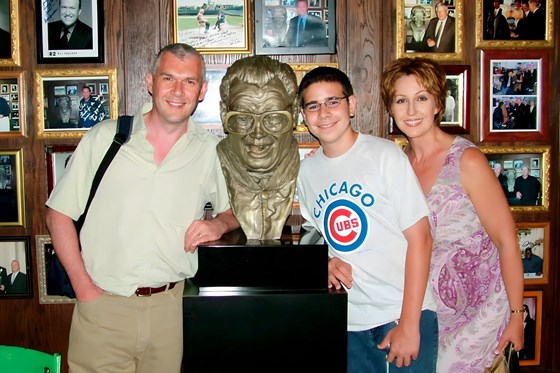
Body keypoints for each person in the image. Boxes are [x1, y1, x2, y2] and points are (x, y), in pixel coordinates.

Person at [45, 43, 239, 372]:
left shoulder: (211, 150)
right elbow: (57, 214)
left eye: (189, 81)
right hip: (103, 307)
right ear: (150, 82)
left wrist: (219, 224)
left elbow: (236, 211)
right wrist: (84, 287)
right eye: (168, 78)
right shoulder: (105, 138)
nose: (178, 91)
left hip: (170, 311)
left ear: (203, 90)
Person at [381, 57, 524, 372]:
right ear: (391, 109)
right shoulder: (394, 165)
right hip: (428, 312)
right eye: (401, 100)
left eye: (421, 98)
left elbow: (507, 241)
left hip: (481, 316)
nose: (411, 110)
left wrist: (517, 316)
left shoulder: (467, 160)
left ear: (437, 104)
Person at [297, 66, 438, 372]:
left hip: (400, 313)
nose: (324, 113)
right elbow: (315, 234)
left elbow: (422, 238)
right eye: (313, 105)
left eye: (333, 101)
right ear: (304, 116)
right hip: (349, 320)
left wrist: (410, 323)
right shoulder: (307, 172)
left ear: (351, 105)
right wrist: (325, 261)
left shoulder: (385, 156)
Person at [217, 55, 300, 240]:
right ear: (224, 114)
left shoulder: (310, 171)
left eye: (273, 117)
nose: (258, 132)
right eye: (244, 117)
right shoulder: (207, 165)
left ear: (293, 113)